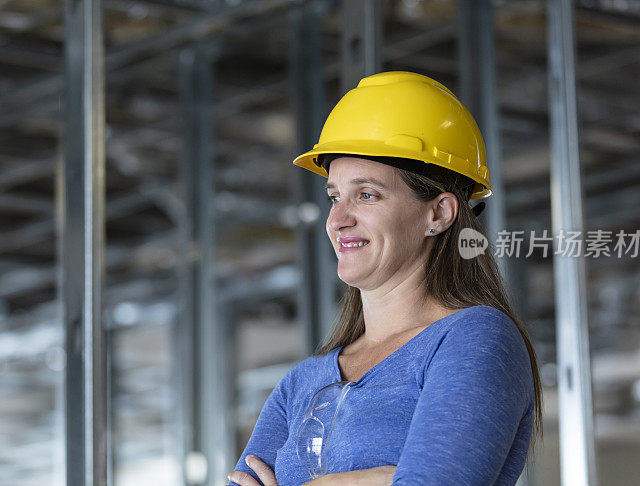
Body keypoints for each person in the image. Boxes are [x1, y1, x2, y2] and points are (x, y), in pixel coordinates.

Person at [226, 71, 543, 486]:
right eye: (335, 197)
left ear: (438, 214)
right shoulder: (301, 383)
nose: (338, 220)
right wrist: (367, 480)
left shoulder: (474, 338)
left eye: (367, 195)